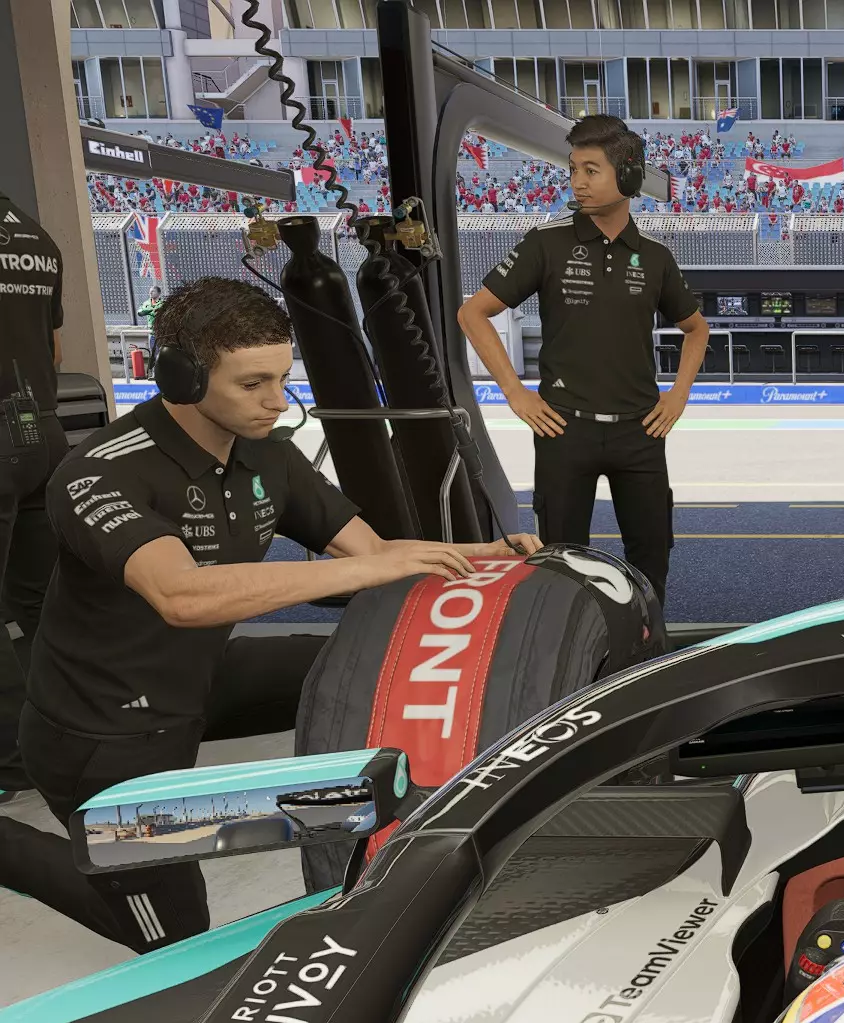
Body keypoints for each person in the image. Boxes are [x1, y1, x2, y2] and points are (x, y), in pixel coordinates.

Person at [0, 276, 539, 952]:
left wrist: (483, 555)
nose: (278, 402)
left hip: (204, 677)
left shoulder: (266, 454)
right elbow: (182, 596)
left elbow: (373, 553)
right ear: (183, 378)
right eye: (253, 384)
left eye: (283, 378)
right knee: (173, 939)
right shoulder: (99, 473)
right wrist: (360, 572)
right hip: (102, 728)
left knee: (379, 668)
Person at [461, 115, 708, 606]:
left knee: (651, 559)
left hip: (640, 433)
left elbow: (696, 329)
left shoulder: (655, 256)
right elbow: (473, 313)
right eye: (573, 169)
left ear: (629, 174)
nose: (578, 182)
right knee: (559, 566)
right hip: (563, 431)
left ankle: (647, 642)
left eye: (591, 170)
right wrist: (515, 393)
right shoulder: (545, 242)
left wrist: (678, 396)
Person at [0, 188, 70, 801]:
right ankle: (68, 731)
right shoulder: (36, 238)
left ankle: (8, 761)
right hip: (42, 428)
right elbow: (53, 348)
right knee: (42, 600)